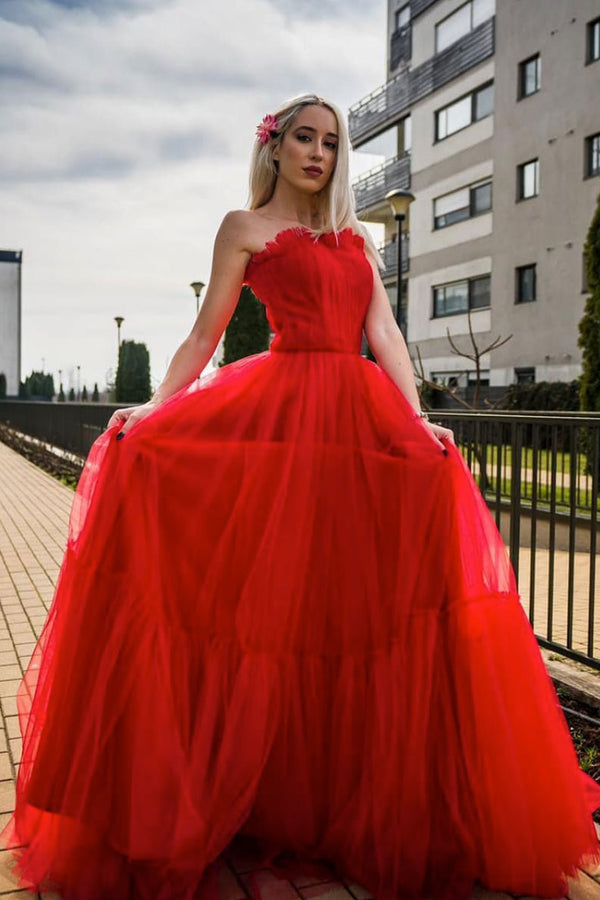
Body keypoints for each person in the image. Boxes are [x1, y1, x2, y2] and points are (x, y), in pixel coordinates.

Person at [2, 93, 599, 900]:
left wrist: (419, 423)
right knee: (270, 608)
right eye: (304, 139)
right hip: (280, 409)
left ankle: (343, 799)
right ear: (275, 148)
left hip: (357, 423)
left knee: (353, 606)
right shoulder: (242, 229)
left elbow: (384, 332)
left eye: (331, 141)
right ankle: (248, 792)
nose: (319, 153)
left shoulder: (355, 237)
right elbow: (207, 331)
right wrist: (152, 409)